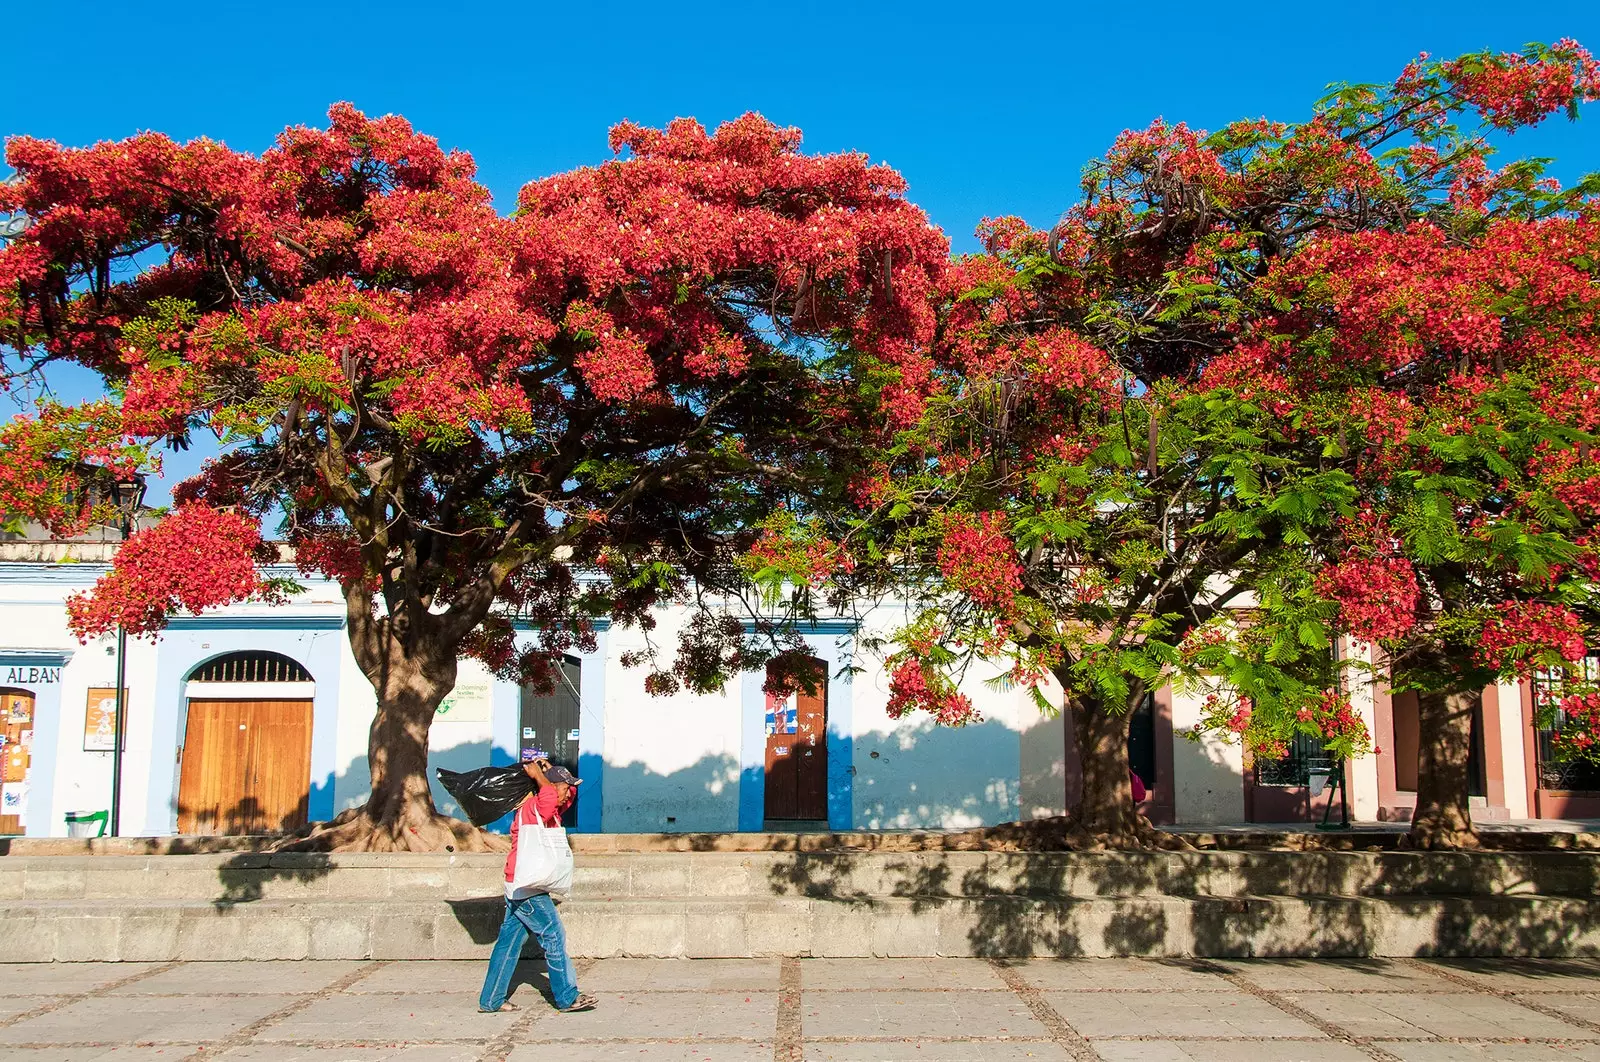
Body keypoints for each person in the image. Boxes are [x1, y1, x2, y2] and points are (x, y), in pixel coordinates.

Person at [478, 757, 597, 1014]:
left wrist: (548, 773)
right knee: (553, 934)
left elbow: (562, 798)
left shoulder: (550, 810)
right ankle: (567, 997)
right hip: (528, 888)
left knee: (508, 943)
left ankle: (491, 1000)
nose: (568, 795)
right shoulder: (534, 807)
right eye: (565, 788)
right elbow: (549, 797)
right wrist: (540, 777)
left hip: (522, 884)